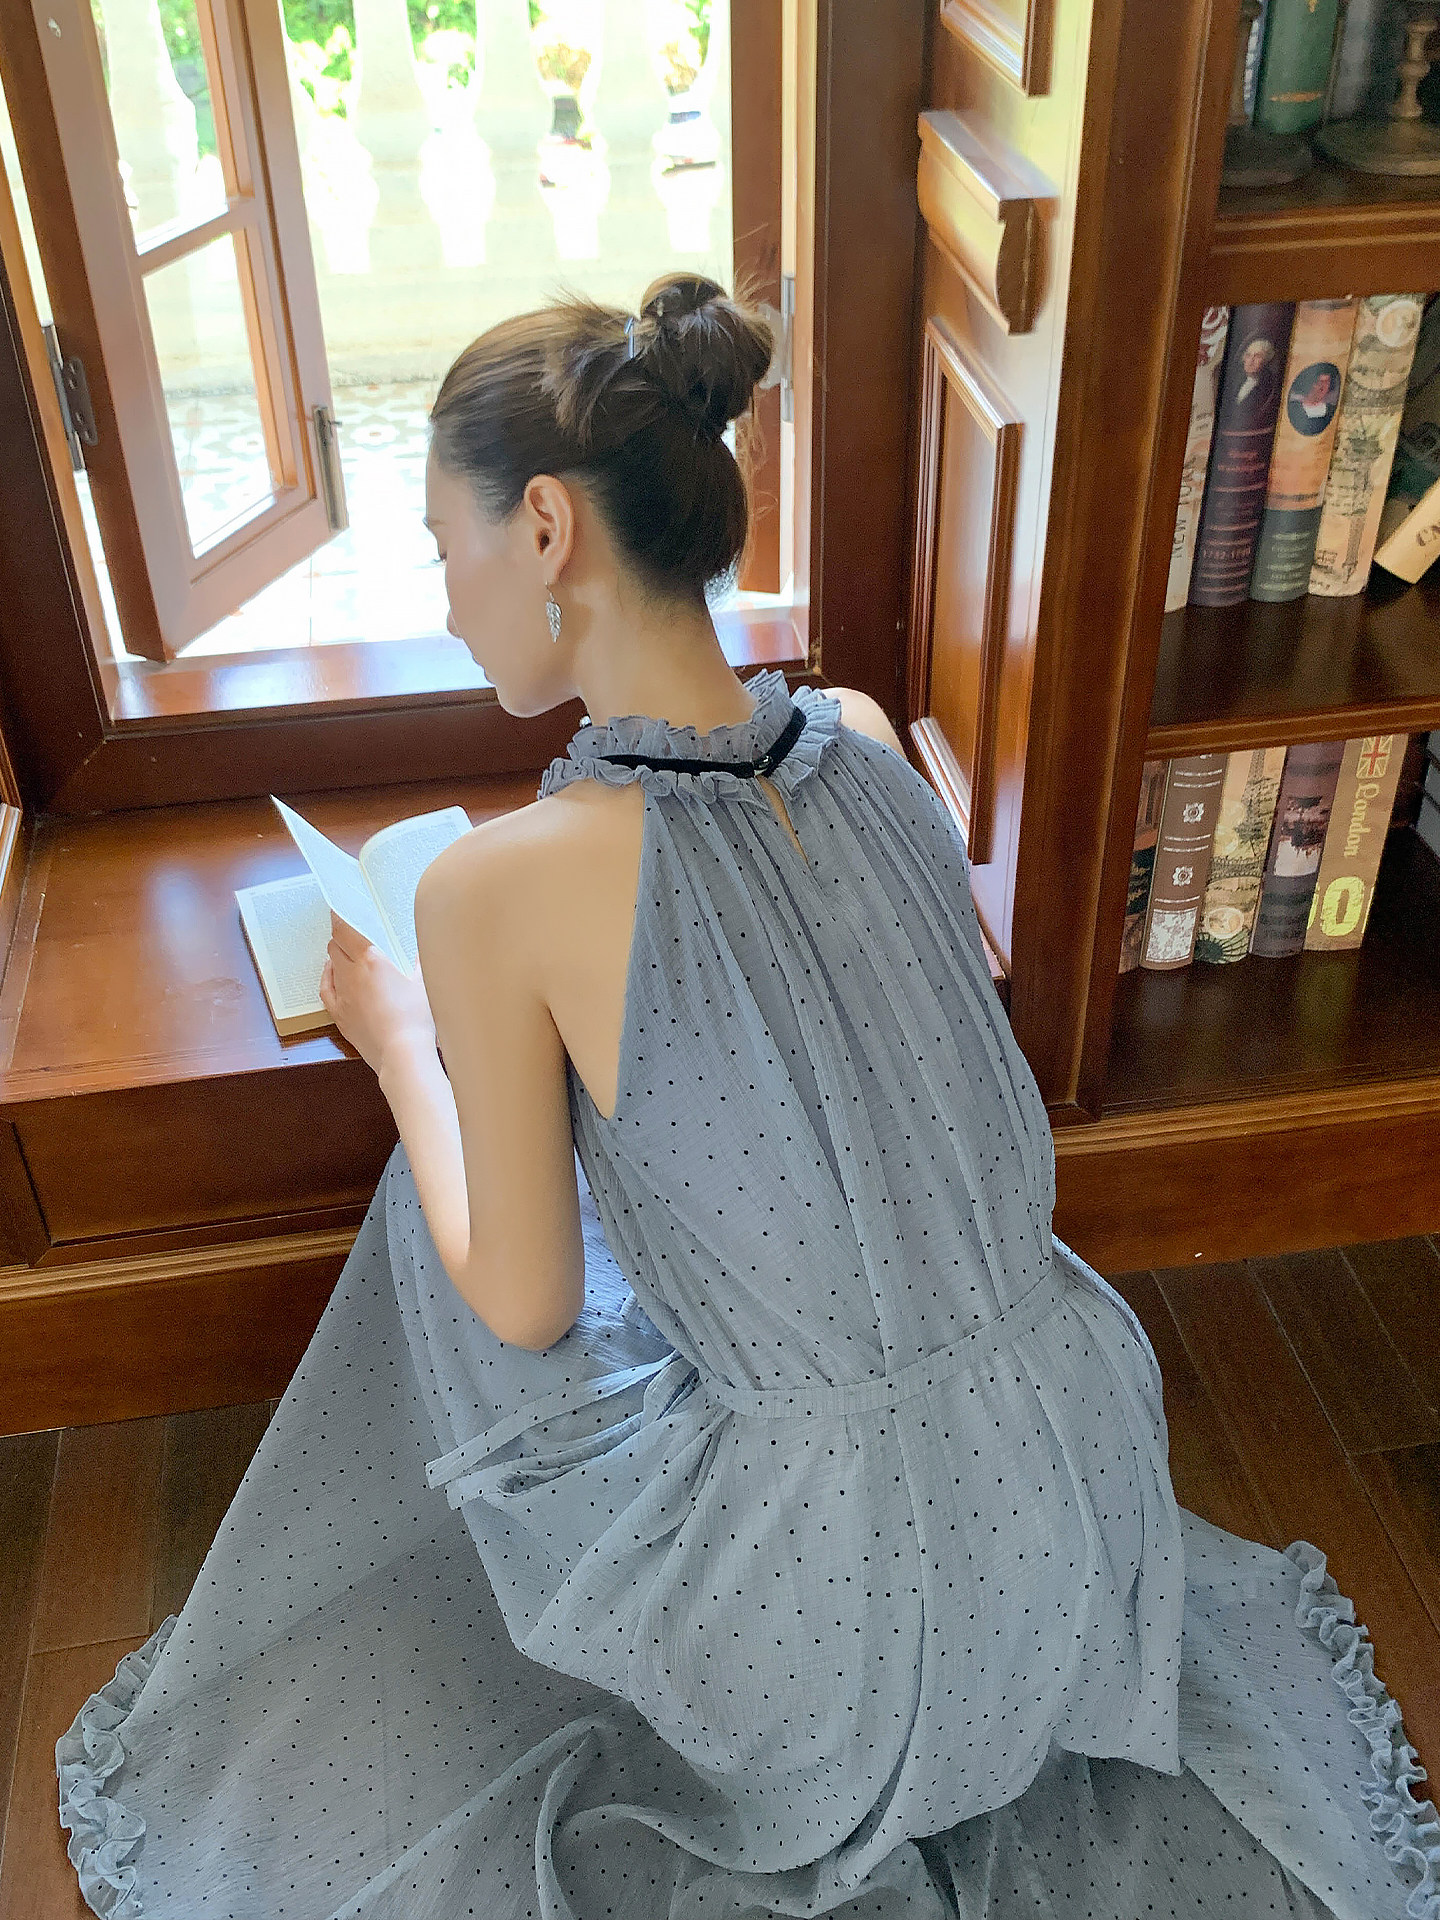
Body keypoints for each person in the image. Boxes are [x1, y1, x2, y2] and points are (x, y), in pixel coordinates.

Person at [55, 273, 1437, 1920]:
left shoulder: (493, 891)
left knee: (459, 1202)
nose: (447, 599)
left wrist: (404, 1045)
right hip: (1078, 1499)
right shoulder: (866, 738)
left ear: (547, 528)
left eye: (442, 547)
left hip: (831, 1637)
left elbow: (524, 1306)